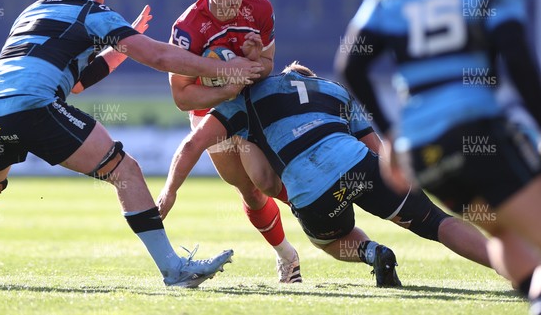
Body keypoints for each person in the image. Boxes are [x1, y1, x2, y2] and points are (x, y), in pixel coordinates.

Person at [0, 0, 266, 288]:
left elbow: (79, 80)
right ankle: (174, 269)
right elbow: (159, 56)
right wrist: (228, 69)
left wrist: (123, 45)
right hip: (33, 105)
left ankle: (174, 269)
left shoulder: (35, 10)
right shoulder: (91, 11)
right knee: (124, 170)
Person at [335, 0, 541, 310]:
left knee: (504, 235)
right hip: (476, 131)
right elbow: (519, 62)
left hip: (421, 151)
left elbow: (350, 65)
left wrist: (394, 135)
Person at [157, 62, 493, 287]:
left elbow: (246, 171)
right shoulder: (333, 89)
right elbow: (377, 149)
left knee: (330, 240)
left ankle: (373, 252)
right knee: (436, 221)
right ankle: (514, 267)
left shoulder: (243, 100)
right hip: (360, 163)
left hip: (312, 191)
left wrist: (170, 192)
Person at [167, 0, 302, 283]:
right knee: (249, 190)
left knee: (267, 178)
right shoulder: (187, 28)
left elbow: (268, 67)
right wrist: (223, 91)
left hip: (251, 99)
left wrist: (254, 60)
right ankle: (288, 256)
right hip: (210, 109)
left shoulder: (260, 9)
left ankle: (324, 216)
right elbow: (182, 97)